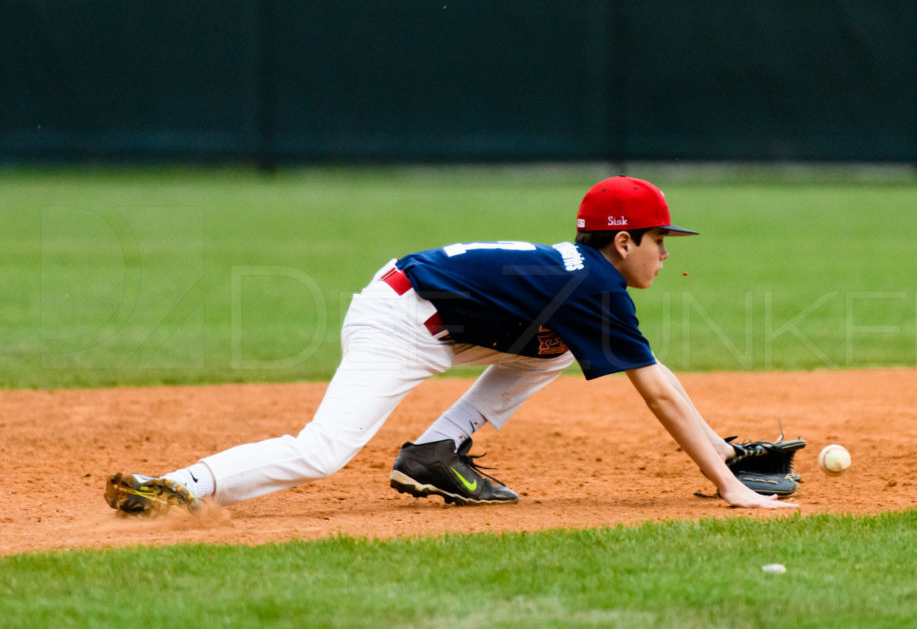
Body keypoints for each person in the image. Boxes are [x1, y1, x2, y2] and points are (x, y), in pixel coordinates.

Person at [105, 176, 797, 517]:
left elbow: (653, 374)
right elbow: (658, 387)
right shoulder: (596, 286)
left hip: (442, 317)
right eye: (659, 241)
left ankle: (435, 451)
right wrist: (729, 484)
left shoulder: (583, 279)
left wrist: (723, 450)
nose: (665, 255)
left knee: (558, 347)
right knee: (323, 450)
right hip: (401, 320)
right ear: (623, 242)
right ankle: (178, 487)